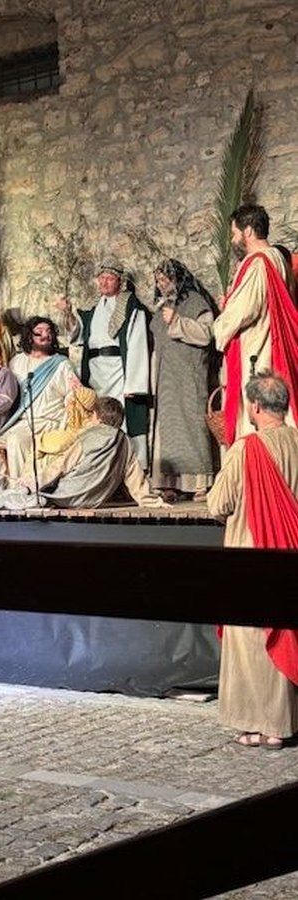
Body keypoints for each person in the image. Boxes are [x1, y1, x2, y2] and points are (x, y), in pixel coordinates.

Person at [207, 372, 298, 749]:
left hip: (251, 556)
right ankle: (285, 722)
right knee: (288, 631)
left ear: (255, 406)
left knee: (253, 641)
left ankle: (259, 724)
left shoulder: (246, 449)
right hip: (292, 554)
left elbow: (218, 504)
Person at [213, 204, 298, 445]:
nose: (233, 240)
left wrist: (220, 323)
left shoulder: (258, 263)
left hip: (259, 350)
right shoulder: (278, 258)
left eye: (234, 233)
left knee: (257, 421)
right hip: (271, 344)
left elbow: (243, 311)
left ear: (248, 231)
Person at [0, 397, 166, 511]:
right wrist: (151, 501)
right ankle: (35, 496)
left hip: (69, 495)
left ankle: (33, 496)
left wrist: (34, 483)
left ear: (97, 416)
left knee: (46, 488)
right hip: (96, 499)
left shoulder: (89, 436)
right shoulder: (126, 441)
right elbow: (135, 477)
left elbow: (61, 466)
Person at [57, 259, 152, 469]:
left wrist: (135, 384)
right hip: (95, 371)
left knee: (123, 417)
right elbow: (77, 333)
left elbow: (137, 342)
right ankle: (100, 464)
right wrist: (68, 312)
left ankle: (129, 466)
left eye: (109, 278)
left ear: (119, 281)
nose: (104, 282)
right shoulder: (94, 308)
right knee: (97, 415)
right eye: (101, 278)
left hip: (118, 370)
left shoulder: (131, 306)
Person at [150, 259, 218, 502]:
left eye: (166, 279)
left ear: (178, 278)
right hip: (166, 377)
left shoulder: (196, 302)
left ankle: (200, 482)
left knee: (192, 425)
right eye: (158, 280)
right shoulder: (160, 308)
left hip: (189, 375)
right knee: (167, 430)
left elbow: (207, 334)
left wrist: (178, 321)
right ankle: (169, 482)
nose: (162, 284)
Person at [0, 316, 80, 481]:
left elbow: (73, 396)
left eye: (49, 332)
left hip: (46, 422)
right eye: (39, 332)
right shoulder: (16, 362)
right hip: (19, 421)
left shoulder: (61, 364)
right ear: (29, 336)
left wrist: (65, 426)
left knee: (16, 440)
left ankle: (22, 489)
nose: (45, 335)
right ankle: (4, 485)